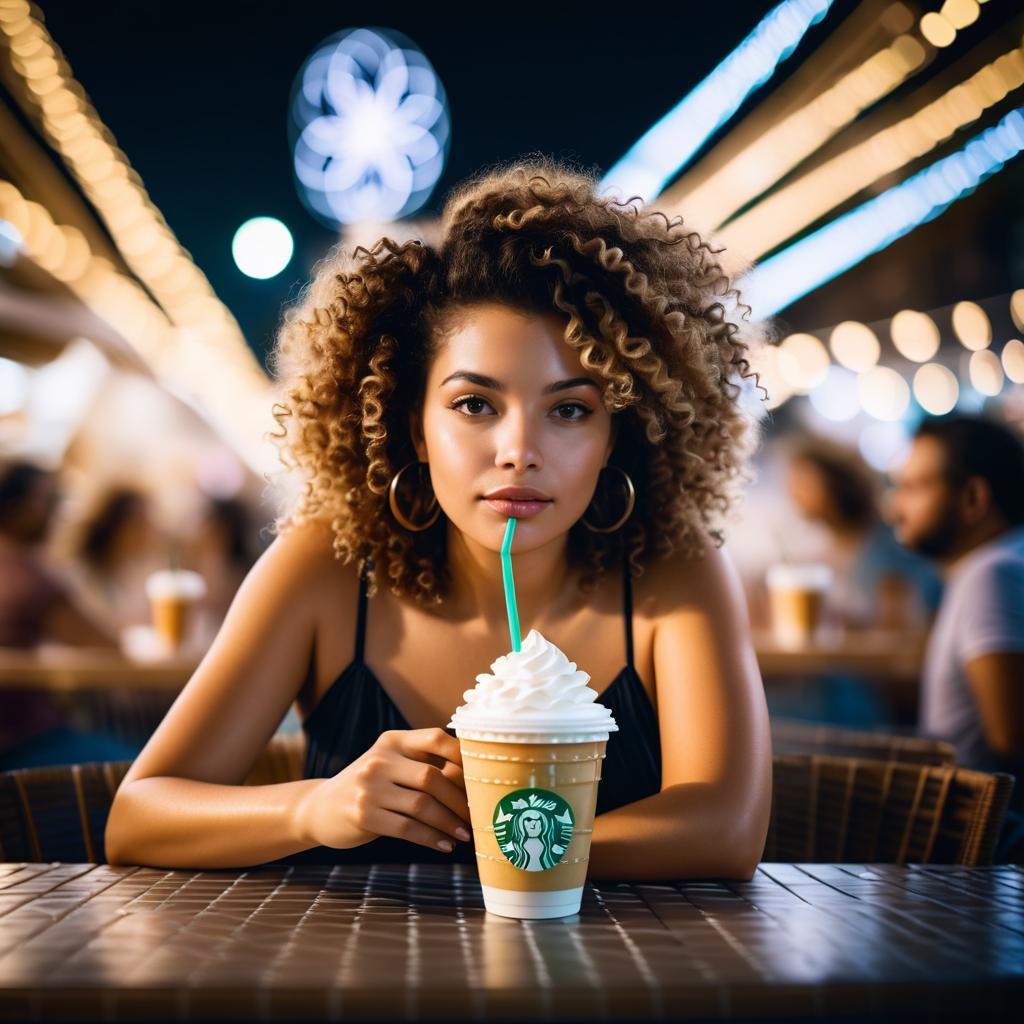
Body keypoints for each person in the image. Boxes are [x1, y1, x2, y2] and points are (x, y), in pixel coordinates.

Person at [105, 160, 773, 880]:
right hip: (356, 985)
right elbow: (138, 816)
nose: (519, 453)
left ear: (618, 433)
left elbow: (725, 830)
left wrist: (504, 850)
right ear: (413, 428)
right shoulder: (326, 567)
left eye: (570, 410)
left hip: (614, 988)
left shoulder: (674, 570)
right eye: (475, 405)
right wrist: (318, 809)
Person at [888, 414, 1024, 860]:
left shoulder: (993, 573)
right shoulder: (987, 568)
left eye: (914, 487)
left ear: (973, 497)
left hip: (978, 850)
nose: (895, 507)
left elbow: (1011, 739)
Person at [0, 460, 139, 769]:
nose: (58, 513)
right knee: (143, 769)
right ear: (18, 509)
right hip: (24, 742)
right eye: (51, 501)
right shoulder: (28, 576)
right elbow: (106, 646)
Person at [785, 435, 942, 630]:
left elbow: (895, 628)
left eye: (803, 483)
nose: (793, 492)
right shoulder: (829, 545)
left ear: (835, 485)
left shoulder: (884, 548)